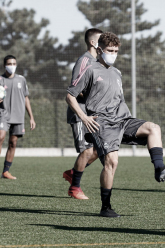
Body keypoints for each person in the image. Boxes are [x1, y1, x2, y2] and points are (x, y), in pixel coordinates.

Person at [66, 32, 165, 218]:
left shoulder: (116, 73)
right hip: (102, 123)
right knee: (112, 162)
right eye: (110, 50)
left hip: (123, 120)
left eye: (116, 51)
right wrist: (84, 117)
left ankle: (160, 169)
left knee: (153, 128)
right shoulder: (90, 69)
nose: (113, 54)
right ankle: (106, 207)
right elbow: (70, 96)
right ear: (99, 50)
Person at [62, 28, 103, 200]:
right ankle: (74, 188)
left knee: (99, 150)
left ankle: (73, 173)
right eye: (103, 40)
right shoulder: (84, 61)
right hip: (80, 113)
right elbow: (75, 90)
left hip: (91, 114)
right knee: (86, 150)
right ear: (93, 42)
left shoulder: (97, 62)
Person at [0, 55, 36, 180]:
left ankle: (6, 171)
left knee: (13, 143)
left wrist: (31, 117)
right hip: (4, 114)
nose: (12, 66)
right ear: (4, 65)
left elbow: (26, 98)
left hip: (19, 115)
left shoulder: (21, 79)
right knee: (1, 137)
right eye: (9, 63)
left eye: (14, 63)